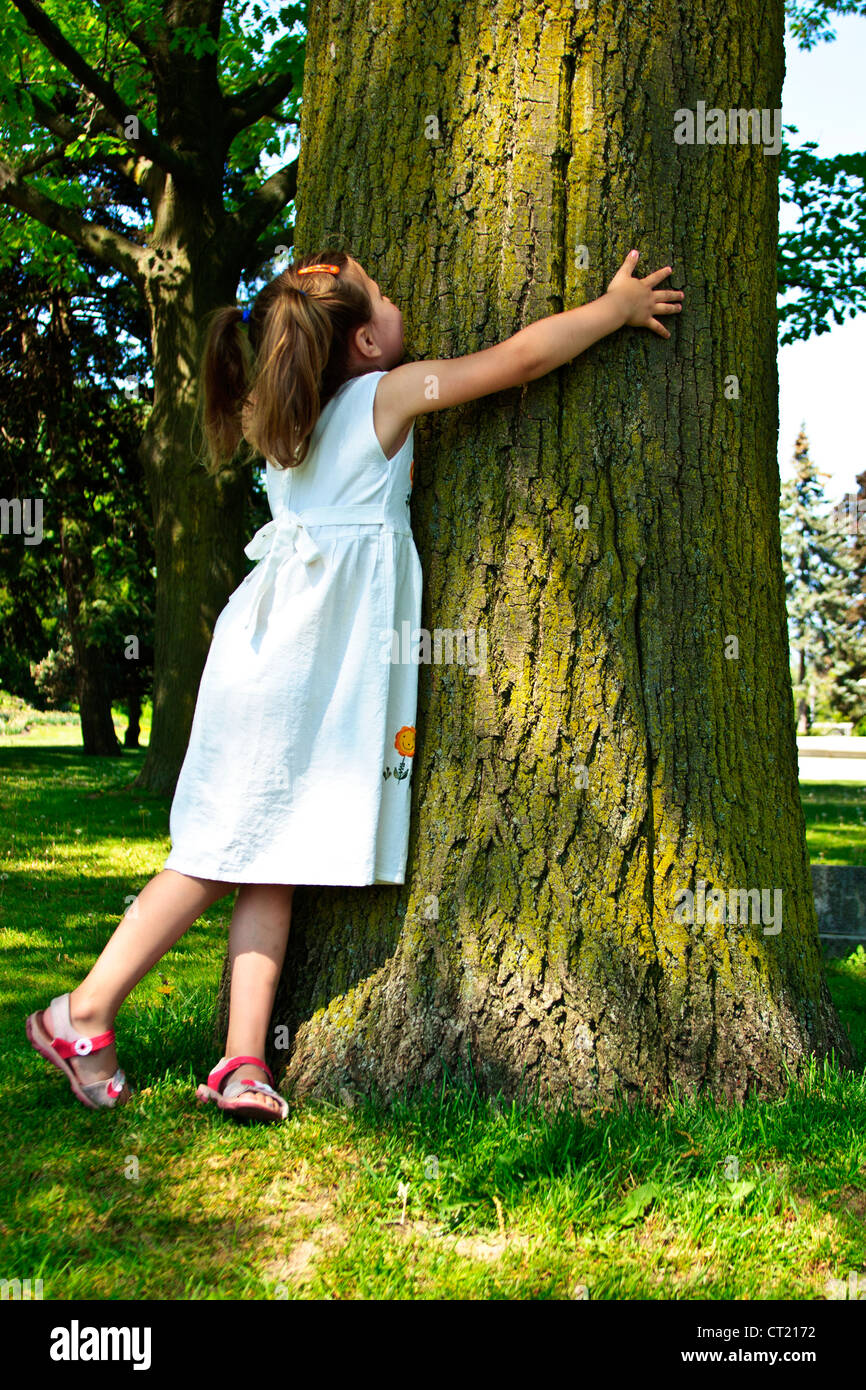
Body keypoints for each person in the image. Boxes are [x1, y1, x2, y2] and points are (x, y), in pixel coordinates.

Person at [25, 249, 684, 1123]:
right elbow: (516, 361)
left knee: (271, 858)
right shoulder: (388, 396)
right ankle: (84, 1010)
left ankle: (242, 1060)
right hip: (293, 667)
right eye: (387, 294)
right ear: (369, 342)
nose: (401, 301)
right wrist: (612, 309)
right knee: (216, 853)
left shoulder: (288, 416)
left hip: (284, 652)